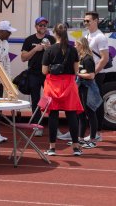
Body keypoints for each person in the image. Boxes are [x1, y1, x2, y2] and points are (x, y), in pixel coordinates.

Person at [42, 23, 84, 156]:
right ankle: (76, 147)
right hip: (69, 85)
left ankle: (52, 148)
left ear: (55, 34)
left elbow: (44, 71)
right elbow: (76, 70)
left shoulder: (49, 50)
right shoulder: (73, 50)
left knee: (53, 116)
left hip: (52, 85)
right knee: (71, 115)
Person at [20, 16, 55, 135]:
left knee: (51, 100)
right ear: (36, 27)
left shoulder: (51, 39)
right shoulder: (29, 40)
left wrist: (50, 49)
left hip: (48, 74)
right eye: (40, 25)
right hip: (34, 74)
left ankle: (54, 127)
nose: (43, 27)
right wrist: (35, 49)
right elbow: (23, 58)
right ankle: (37, 126)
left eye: (45, 25)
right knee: (35, 101)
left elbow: (57, 57)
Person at [84, 11, 109, 142]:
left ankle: (98, 132)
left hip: (96, 75)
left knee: (97, 103)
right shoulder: (88, 35)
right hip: (88, 74)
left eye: (88, 21)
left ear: (96, 21)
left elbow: (104, 58)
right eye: (85, 20)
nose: (85, 23)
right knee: (87, 103)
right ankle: (88, 131)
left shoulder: (100, 37)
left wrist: (94, 73)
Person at [75, 37, 101, 149]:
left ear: (81, 45)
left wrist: (77, 74)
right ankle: (80, 138)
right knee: (81, 113)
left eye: (76, 44)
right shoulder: (81, 58)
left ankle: (93, 139)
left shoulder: (88, 59)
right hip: (81, 88)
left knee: (90, 113)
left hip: (88, 88)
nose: (75, 46)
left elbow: (91, 75)